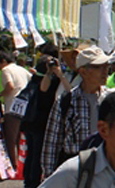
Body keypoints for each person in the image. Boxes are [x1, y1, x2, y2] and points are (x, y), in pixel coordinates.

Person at [41, 46, 111, 179]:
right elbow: (52, 142)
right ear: (83, 72)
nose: (105, 72)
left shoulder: (111, 99)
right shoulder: (66, 101)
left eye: (106, 66)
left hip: (106, 167)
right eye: (98, 67)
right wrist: (49, 177)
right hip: (76, 168)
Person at [22, 44, 67, 188]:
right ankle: (33, 182)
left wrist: (58, 73)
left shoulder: (40, 76)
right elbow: (43, 89)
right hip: (40, 118)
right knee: (37, 152)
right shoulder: (43, 76)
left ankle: (29, 181)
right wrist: (49, 73)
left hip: (32, 118)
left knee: (33, 151)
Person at [0, 49, 31, 168]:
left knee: (11, 138)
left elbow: (10, 86)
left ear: (3, 61)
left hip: (12, 106)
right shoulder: (21, 69)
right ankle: (23, 163)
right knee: (22, 137)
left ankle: (13, 164)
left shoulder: (6, 70)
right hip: (26, 105)